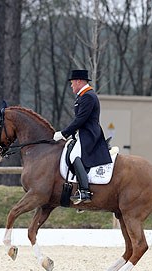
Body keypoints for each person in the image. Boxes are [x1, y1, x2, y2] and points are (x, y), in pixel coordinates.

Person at [53, 69, 112, 204]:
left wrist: (64, 133)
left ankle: (84, 191)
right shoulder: (83, 96)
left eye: (72, 82)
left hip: (90, 134)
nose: (71, 85)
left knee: (74, 156)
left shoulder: (88, 97)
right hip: (83, 133)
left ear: (79, 81)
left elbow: (80, 120)